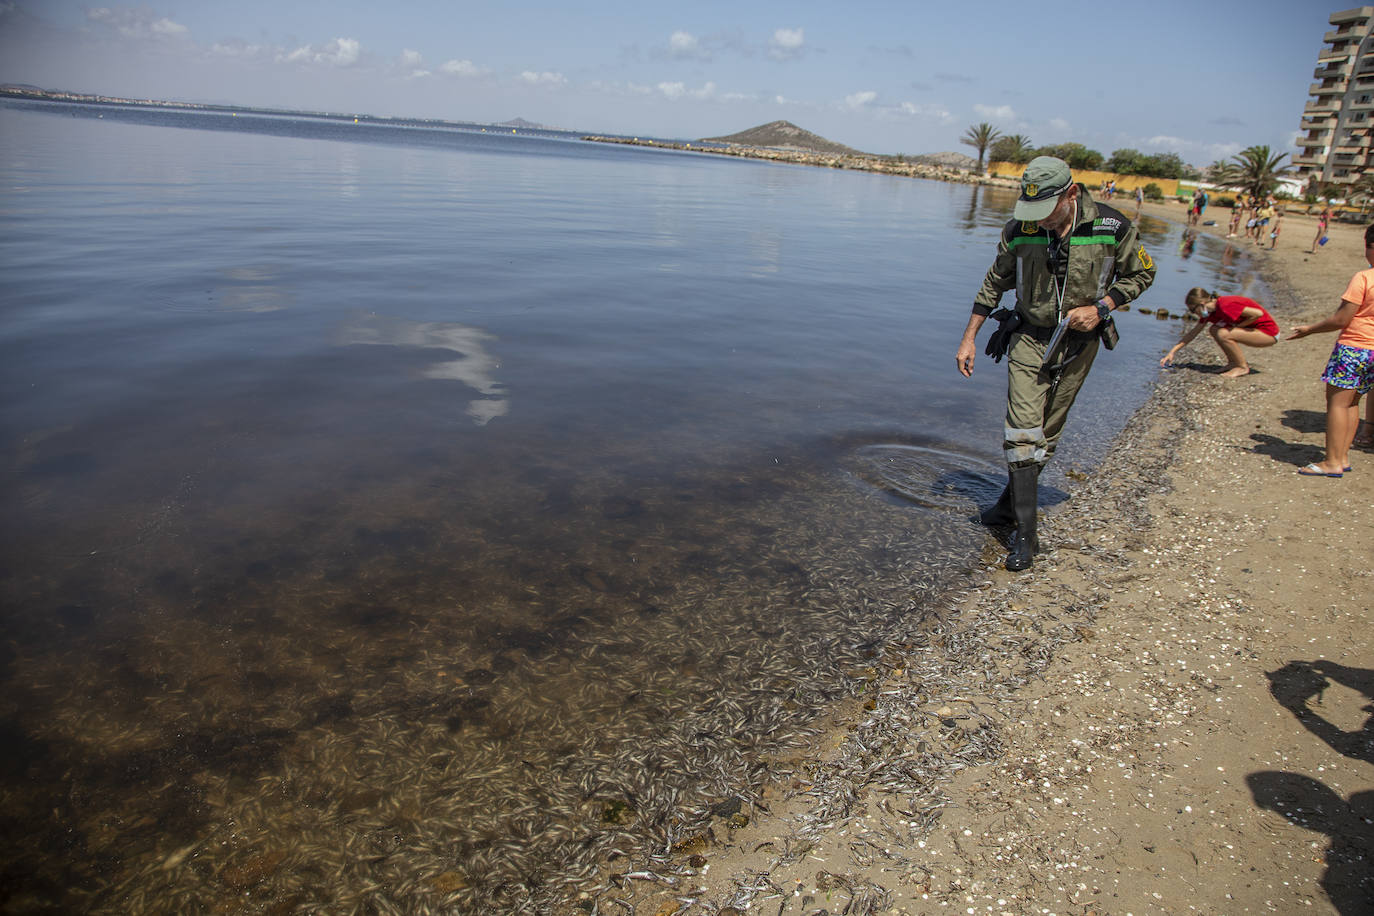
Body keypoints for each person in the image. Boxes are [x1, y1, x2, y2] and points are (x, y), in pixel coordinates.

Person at [955, 156, 1156, 570]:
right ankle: (1027, 538)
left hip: (1079, 342)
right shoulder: (1020, 230)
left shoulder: (1111, 228)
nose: (1040, 221)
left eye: (1046, 211)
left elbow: (1141, 274)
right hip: (1028, 337)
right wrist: (969, 337)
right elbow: (994, 282)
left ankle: (1008, 508)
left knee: (1047, 433)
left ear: (1071, 195)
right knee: (1022, 430)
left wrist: (1102, 306)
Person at [1285, 222, 1374, 477]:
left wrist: (1309, 329)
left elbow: (1341, 320)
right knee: (1353, 401)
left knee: (1337, 403)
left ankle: (1332, 462)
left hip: (1355, 347)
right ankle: (1342, 456)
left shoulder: (1364, 278)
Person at [1161, 288, 1280, 378]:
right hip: (1255, 332)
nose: (1193, 313)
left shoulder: (1225, 305)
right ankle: (1233, 363)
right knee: (1214, 329)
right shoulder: (1210, 313)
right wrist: (1172, 352)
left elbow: (1257, 313)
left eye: (1193, 310)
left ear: (1202, 304)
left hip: (1268, 334)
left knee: (1224, 333)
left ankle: (1242, 367)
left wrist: (1238, 327)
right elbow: (1193, 333)